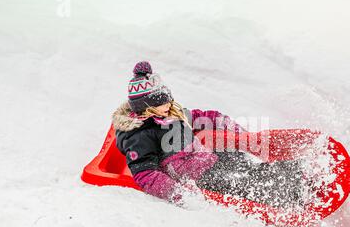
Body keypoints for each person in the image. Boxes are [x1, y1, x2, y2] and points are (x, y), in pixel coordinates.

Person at [112, 61, 303, 206]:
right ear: (146, 108)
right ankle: (295, 192)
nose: (169, 104)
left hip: (204, 156)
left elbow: (201, 117)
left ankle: (297, 172)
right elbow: (145, 174)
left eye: (168, 99)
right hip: (194, 175)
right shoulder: (139, 136)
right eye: (163, 102)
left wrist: (225, 124)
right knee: (242, 183)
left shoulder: (170, 113)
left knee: (242, 163)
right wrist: (177, 193)